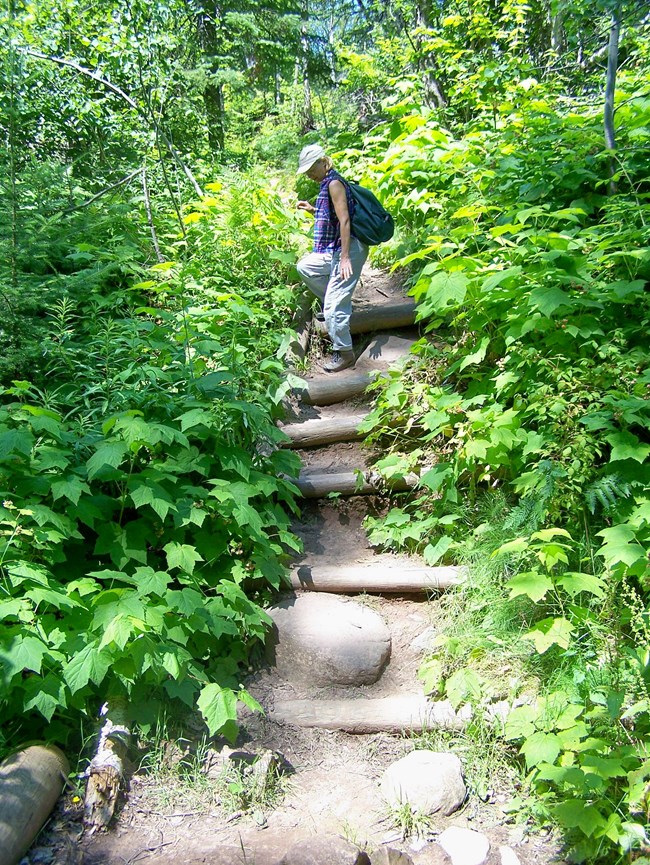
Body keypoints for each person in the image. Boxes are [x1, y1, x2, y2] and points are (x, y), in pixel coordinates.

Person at [295, 144, 368, 373]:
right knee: (306, 267)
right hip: (336, 249)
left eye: (311, 169)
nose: (309, 174)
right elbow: (333, 217)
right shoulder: (327, 183)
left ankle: (345, 353)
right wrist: (312, 210)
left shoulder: (334, 183)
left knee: (335, 307)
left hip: (349, 249)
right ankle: (336, 305)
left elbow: (345, 220)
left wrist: (345, 257)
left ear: (323, 162)